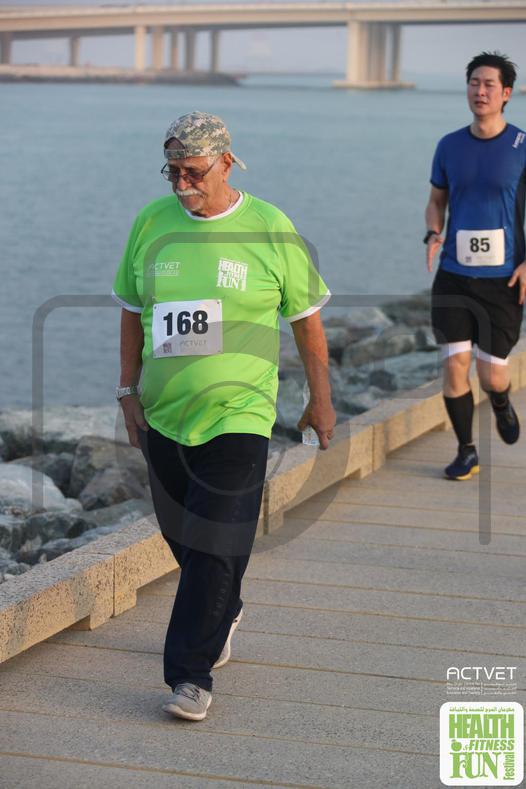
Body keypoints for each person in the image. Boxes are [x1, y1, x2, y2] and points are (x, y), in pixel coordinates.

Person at [112, 111, 335, 721]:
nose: (182, 184)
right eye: (173, 173)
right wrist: (128, 391)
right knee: (185, 539)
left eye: (193, 171)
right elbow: (131, 310)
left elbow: (306, 321)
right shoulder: (150, 223)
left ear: (227, 163)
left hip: (241, 413)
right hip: (163, 414)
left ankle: (190, 676)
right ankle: (224, 607)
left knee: (214, 540)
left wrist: (320, 397)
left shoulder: (269, 227)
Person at [425, 52, 526, 480]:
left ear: (506, 94)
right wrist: (433, 233)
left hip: (503, 280)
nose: (480, 91)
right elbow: (436, 202)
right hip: (454, 276)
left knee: (492, 375)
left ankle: (500, 401)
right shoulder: (449, 146)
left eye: (489, 85)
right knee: (454, 365)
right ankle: (466, 451)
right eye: (474, 83)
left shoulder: (521, 146)